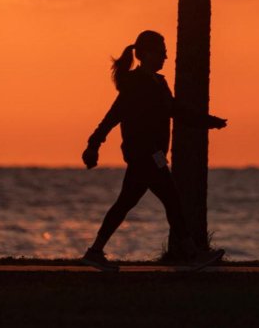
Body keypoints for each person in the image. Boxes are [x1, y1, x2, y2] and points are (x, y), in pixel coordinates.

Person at [80, 30, 228, 271]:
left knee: (126, 204)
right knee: (172, 201)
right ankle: (193, 255)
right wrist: (93, 144)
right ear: (146, 54)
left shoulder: (159, 84)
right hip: (143, 157)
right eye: (161, 52)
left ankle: (94, 251)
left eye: (165, 52)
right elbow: (113, 115)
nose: (165, 57)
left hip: (153, 157)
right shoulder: (134, 85)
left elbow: (177, 111)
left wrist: (209, 122)